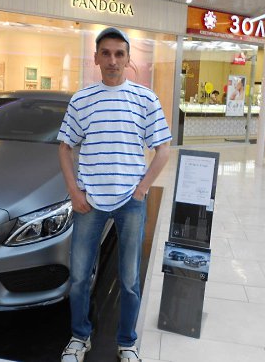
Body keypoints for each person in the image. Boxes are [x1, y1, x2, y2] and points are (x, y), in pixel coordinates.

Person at [58, 27, 171, 362]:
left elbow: (163, 148)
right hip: (89, 201)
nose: (112, 60)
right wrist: (74, 191)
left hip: (130, 203)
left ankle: (127, 342)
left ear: (128, 59)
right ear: (95, 58)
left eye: (119, 54)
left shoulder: (145, 99)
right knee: (79, 276)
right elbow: (64, 147)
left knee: (130, 278)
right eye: (105, 53)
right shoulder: (82, 100)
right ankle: (79, 338)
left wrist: (142, 189)